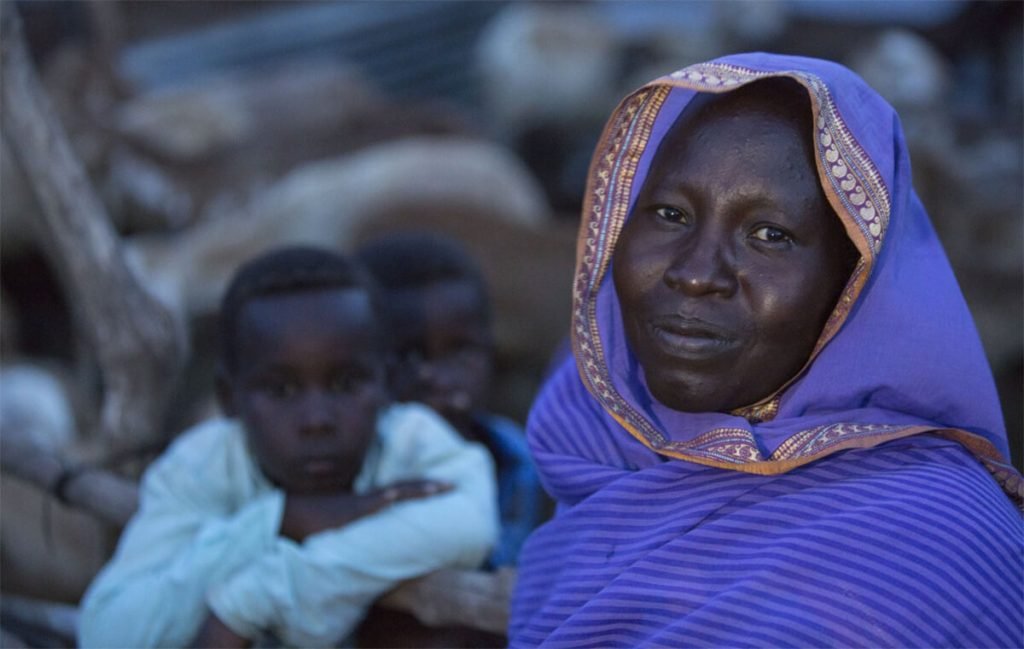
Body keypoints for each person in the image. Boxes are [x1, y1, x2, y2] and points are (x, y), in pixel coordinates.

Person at [510, 53, 1023, 648]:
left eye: (770, 235)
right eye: (670, 214)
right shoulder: (592, 430)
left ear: (854, 281)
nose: (698, 274)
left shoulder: (933, 536)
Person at [78, 246, 498, 648]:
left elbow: (468, 523)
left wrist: (254, 598)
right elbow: (108, 632)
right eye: (281, 389)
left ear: (385, 383)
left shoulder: (408, 440)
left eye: (346, 384)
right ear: (230, 397)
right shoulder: (203, 465)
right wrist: (278, 521)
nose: (317, 419)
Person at [356, 232, 546, 570]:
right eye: (408, 355)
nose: (439, 379)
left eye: (460, 351)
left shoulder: (530, 466)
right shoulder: (352, 479)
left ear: (492, 351)